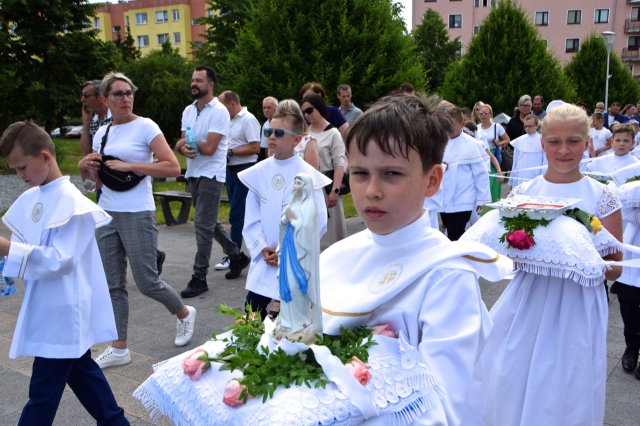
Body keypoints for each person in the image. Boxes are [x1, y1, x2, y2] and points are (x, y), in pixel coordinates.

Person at [320, 94, 512, 425]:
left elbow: (445, 406)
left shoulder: (447, 276)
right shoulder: (335, 255)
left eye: (392, 174)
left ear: (433, 180)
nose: (372, 190)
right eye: (361, 173)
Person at [463, 103, 623, 426]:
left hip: (578, 304)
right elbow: (505, 254)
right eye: (554, 142)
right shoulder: (524, 192)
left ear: (587, 143)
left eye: (574, 141)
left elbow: (616, 266)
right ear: (542, 143)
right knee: (511, 372)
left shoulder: (603, 195)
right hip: (528, 299)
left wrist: (577, 262)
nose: (564, 150)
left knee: (566, 383)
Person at [0, 121, 128, 425]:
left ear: (45, 156)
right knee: (84, 376)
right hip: (48, 306)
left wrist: (7, 250)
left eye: (22, 167)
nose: (20, 177)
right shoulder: (34, 197)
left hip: (63, 313)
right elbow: (25, 245)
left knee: (42, 396)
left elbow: (61, 260)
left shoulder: (74, 204)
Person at [79, 72, 196, 369]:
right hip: (106, 212)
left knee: (146, 281)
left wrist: (131, 164)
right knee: (112, 284)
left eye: (129, 92)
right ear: (106, 100)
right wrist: (85, 170)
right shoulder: (103, 132)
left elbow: (171, 168)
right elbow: (96, 183)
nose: (125, 98)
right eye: (118, 94)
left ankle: (183, 312)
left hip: (137, 211)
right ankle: (120, 347)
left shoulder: (146, 126)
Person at [238, 110, 329, 320]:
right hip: (265, 257)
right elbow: (251, 217)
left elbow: (317, 221)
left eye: (279, 133)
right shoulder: (258, 173)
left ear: (297, 139)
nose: (271, 136)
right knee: (253, 312)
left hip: (293, 259)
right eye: (269, 131)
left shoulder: (307, 176)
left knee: (290, 317)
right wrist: (262, 247)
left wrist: (285, 251)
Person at [175, 66, 249, 298]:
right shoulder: (188, 110)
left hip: (211, 174)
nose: (193, 83)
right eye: (192, 79)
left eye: (199, 80)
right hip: (193, 173)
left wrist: (189, 145)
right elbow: (180, 141)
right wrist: (182, 147)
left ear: (211, 85)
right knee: (209, 223)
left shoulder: (219, 111)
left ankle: (199, 277)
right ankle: (237, 257)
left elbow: (209, 148)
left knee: (202, 226)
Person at [216, 90, 261, 274]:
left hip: (244, 169)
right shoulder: (229, 120)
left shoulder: (248, 119)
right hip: (230, 169)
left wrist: (231, 152)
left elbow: (255, 147)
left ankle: (234, 256)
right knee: (236, 214)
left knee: (237, 214)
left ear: (232, 104)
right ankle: (234, 254)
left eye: (222, 106)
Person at [275, 173, 324, 340]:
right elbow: (283, 222)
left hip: (301, 255)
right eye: (294, 182)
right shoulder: (293, 203)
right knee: (286, 283)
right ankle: (287, 321)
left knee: (297, 287)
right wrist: (284, 221)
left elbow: (306, 229)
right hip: (289, 250)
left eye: (299, 183)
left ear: (305, 187)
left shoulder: (310, 207)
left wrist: (293, 221)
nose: (295, 186)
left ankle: (300, 321)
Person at [438, 103, 491, 240]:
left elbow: (481, 174)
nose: (448, 128)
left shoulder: (472, 145)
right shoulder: (438, 142)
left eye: (451, 125)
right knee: (447, 228)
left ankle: (458, 256)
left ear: (462, 124)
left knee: (457, 232)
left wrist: (482, 198)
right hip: (443, 197)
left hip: (463, 197)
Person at [301, 94, 347, 249]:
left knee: (330, 233)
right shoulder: (305, 132)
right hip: (308, 188)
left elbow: (339, 163)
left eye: (309, 110)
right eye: (304, 112)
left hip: (327, 187)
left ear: (319, 108)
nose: (307, 115)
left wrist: (335, 189)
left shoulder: (333, 133)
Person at [612, 180, 640, 380]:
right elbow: (624, 207)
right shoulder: (635, 188)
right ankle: (631, 348)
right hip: (633, 254)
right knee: (628, 302)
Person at [475, 103, 509, 201]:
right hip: (482, 156)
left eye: (486, 113)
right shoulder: (477, 128)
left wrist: (498, 143)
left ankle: (493, 206)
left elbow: (507, 139)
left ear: (490, 114)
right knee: (483, 184)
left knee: (493, 184)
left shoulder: (496, 126)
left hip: (494, 156)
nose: (483, 116)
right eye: (481, 113)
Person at [276, 99, 320, 170]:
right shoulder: (275, 138)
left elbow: (313, 172)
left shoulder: (308, 141)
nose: (283, 119)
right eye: (281, 115)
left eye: (286, 116)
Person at [508, 115, 546, 187]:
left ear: (536, 126)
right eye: (525, 126)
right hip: (522, 173)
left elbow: (545, 161)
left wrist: (543, 176)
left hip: (537, 173)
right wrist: (513, 180)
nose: (527, 128)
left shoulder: (543, 140)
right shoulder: (519, 141)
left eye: (530, 126)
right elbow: (515, 162)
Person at [80, 79, 112, 156]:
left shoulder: (117, 119)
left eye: (86, 96)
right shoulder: (92, 120)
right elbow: (86, 153)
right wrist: (86, 122)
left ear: (101, 97)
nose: (82, 100)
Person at [259, 96, 278, 161]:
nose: (266, 110)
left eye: (269, 108)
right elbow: (266, 147)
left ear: (276, 108)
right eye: (264, 108)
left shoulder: (283, 123)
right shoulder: (265, 125)